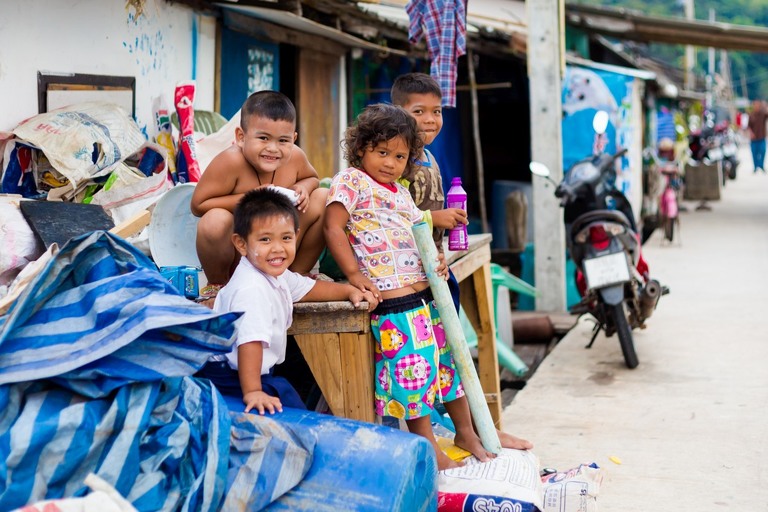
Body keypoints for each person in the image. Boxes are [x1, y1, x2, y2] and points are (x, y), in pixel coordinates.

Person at [324, 103, 532, 471]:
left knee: (448, 367)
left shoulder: (402, 194)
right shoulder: (351, 181)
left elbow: (416, 234)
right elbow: (332, 227)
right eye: (382, 152)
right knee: (413, 375)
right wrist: (355, 277)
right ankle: (427, 446)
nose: (390, 162)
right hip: (393, 302)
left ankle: (467, 431)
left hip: (424, 295)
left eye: (400, 156)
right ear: (360, 150)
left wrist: (436, 257)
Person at [195, 187, 378, 415]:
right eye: (265, 239)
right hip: (230, 377)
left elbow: (308, 288)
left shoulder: (273, 274)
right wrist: (252, 391)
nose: (278, 248)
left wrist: (348, 292)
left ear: (296, 235)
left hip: (253, 372)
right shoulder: (251, 289)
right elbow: (249, 343)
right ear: (241, 244)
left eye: (286, 238)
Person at [191, 90, 328, 300]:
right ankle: (218, 285)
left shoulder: (296, 158)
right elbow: (198, 205)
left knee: (324, 197)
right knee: (214, 221)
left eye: (283, 141)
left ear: (294, 139)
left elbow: (313, 179)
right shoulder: (230, 162)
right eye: (263, 138)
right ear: (240, 137)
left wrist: (304, 188)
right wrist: (250, 197)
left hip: (280, 248)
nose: (273, 148)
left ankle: (296, 276)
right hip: (242, 255)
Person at [391, 72, 464, 312]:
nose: (430, 120)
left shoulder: (431, 158)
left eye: (437, 111)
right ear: (398, 112)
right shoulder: (395, 161)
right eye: (419, 112)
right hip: (402, 266)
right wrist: (435, 217)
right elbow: (391, 213)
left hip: (432, 261)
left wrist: (442, 252)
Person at [747, 99, 768, 174]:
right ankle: (755, 166)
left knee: (763, 151)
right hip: (754, 138)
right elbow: (748, 126)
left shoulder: (763, 114)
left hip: (762, 137)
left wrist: (765, 106)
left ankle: (761, 165)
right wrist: (751, 133)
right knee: (754, 153)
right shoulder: (751, 114)